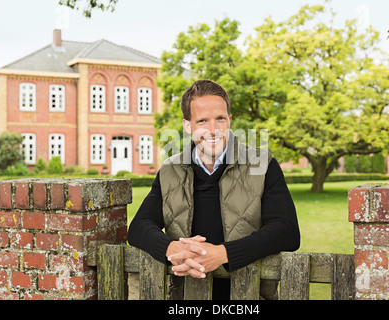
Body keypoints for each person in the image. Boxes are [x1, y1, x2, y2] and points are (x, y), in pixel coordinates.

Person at [128, 79, 300, 300]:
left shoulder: (262, 164)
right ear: (188, 126)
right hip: (185, 299)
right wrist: (172, 249)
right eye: (202, 121)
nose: (212, 130)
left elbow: (287, 231)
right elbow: (139, 227)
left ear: (229, 120)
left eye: (220, 119)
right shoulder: (171, 170)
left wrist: (222, 254)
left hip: (248, 298)